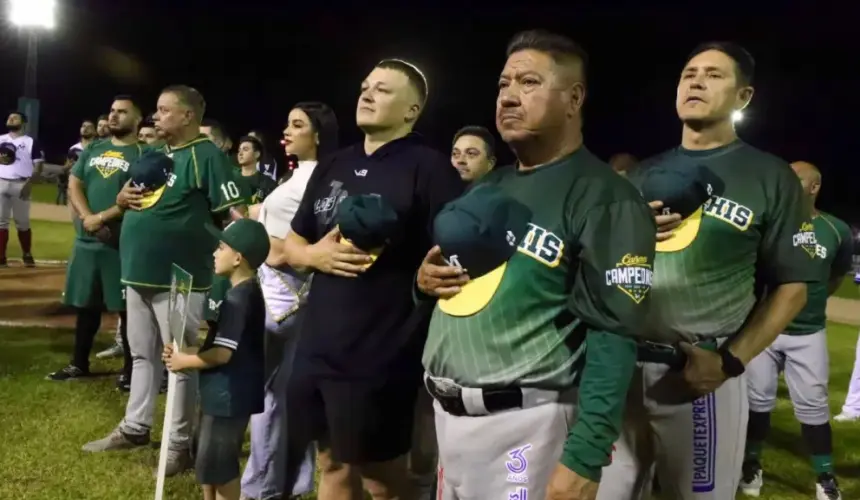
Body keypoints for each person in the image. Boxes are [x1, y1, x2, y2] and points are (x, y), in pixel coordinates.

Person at [416, 30, 656, 500]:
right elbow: (471, 288)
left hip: (526, 426)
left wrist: (586, 456)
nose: (508, 95)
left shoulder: (607, 197)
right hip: (449, 418)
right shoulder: (491, 185)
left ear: (573, 98)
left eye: (528, 82)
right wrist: (425, 283)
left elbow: (615, 334)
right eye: (504, 83)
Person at [595, 42, 815, 500]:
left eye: (713, 74)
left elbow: (792, 287)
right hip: (620, 369)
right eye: (688, 72)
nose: (695, 80)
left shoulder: (769, 176)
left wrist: (731, 361)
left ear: (744, 97)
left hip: (698, 375)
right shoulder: (642, 174)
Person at [280, 58, 464, 500]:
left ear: (411, 111)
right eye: (365, 86)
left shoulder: (429, 168)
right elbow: (291, 244)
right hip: (318, 341)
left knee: (381, 477)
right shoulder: (332, 165)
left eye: (382, 89)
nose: (366, 94)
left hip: (382, 348)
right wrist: (314, 255)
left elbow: (454, 253)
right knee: (331, 461)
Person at [83, 86, 247, 478]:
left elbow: (235, 215)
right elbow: (136, 200)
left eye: (164, 110)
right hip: (138, 271)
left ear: (188, 116)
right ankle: (135, 427)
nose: (156, 117)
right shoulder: (158, 156)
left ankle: (179, 443)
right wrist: (121, 201)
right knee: (141, 355)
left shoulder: (207, 156)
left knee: (181, 360)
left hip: (180, 277)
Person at [240, 101, 339, 500]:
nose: (288, 130)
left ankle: (260, 487)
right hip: (284, 293)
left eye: (297, 125)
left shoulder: (316, 180)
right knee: (284, 394)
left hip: (283, 295)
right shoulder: (303, 175)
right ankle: (292, 482)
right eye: (287, 123)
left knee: (267, 396)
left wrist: (258, 238)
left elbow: (295, 247)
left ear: (318, 135)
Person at [740, 160, 851, 499]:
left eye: (793, 180)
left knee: (814, 408)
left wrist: (807, 305)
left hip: (808, 333)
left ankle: (824, 478)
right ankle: (751, 466)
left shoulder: (836, 229)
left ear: (813, 187)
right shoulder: (767, 224)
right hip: (764, 330)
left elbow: (835, 275)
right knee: (757, 403)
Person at [164, 218, 269, 500]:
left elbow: (223, 354)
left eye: (221, 247)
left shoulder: (239, 300)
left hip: (228, 398)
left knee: (221, 469)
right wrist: (185, 353)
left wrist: (184, 362)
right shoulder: (240, 294)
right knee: (208, 465)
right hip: (221, 394)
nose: (214, 252)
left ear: (238, 258)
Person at [46, 96, 145, 387]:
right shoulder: (94, 149)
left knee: (126, 311)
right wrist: (89, 217)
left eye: (122, 112)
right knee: (86, 307)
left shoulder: (143, 154)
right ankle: (78, 363)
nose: (114, 116)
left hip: (120, 244)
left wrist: (102, 217)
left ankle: (130, 370)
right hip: (87, 241)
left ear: (137, 120)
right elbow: (75, 183)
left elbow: (137, 198)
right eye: (112, 111)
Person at [0, 111, 45, 267]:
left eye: (15, 117)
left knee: (23, 222)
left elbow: (38, 165)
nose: (11, 118)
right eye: (9, 116)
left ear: (23, 123)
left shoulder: (30, 141)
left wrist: (30, 183)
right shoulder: (0, 139)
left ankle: (27, 253)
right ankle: (1, 257)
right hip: (0, 182)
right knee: (1, 223)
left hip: (21, 184)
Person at [236, 136, 278, 204]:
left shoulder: (268, 184)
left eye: (245, 149)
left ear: (256, 154)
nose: (240, 153)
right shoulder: (230, 179)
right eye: (239, 150)